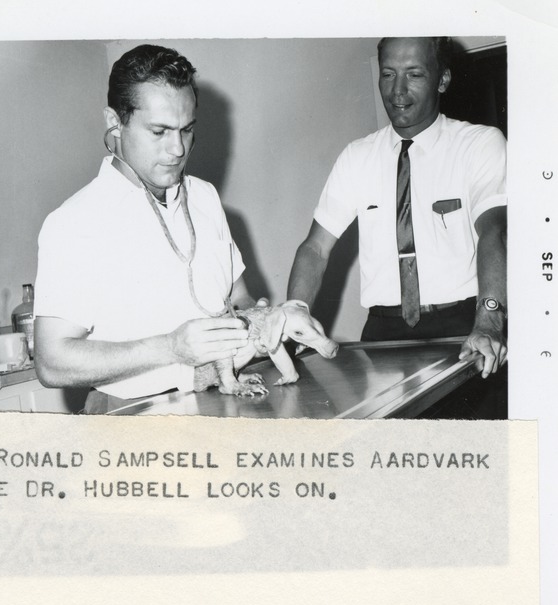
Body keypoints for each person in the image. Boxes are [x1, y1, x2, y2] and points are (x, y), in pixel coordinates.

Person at [34, 44, 259, 413]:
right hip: (132, 418)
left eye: (187, 129)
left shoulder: (204, 197)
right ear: (114, 122)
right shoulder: (75, 221)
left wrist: (261, 320)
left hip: (220, 402)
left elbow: (239, 298)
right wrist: (171, 347)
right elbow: (52, 360)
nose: (178, 149)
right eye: (159, 131)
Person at [288, 36, 507, 380]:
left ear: (443, 79)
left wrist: (490, 320)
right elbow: (315, 248)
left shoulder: (479, 144)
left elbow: (494, 231)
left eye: (414, 74)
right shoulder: (357, 157)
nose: (397, 91)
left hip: (464, 328)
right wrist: (295, 314)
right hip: (382, 335)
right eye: (388, 74)